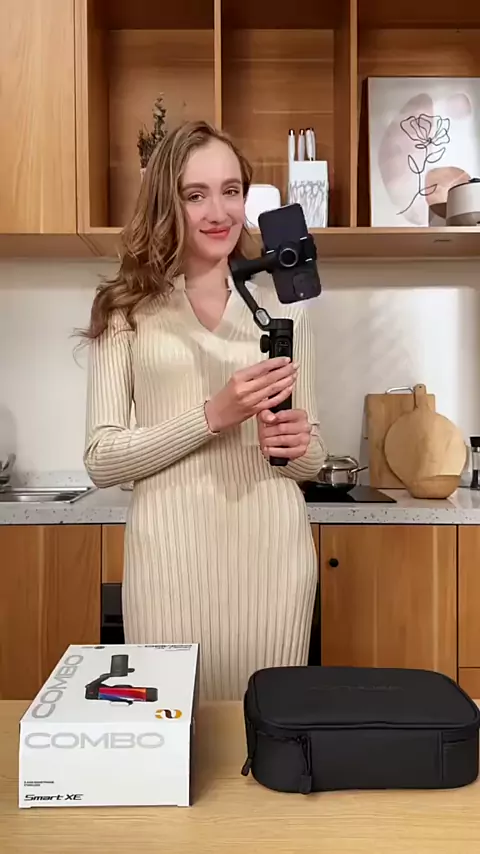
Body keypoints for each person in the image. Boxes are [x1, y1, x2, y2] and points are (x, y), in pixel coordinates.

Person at [82, 120, 327, 701]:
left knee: (265, 731)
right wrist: (211, 415)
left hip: (272, 558)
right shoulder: (125, 308)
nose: (219, 212)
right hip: (167, 562)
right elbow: (101, 458)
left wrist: (294, 445)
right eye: (196, 195)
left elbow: (312, 458)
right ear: (166, 202)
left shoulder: (283, 305)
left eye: (231, 191)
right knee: (169, 734)